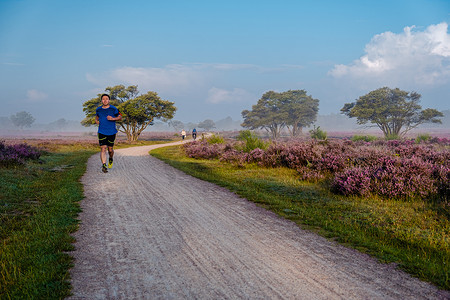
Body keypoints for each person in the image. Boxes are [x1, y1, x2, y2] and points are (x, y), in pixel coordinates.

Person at [95, 93, 122, 173]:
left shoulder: (114, 109)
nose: (105, 100)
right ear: (101, 100)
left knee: (110, 150)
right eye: (103, 99)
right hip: (101, 131)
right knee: (103, 148)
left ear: (109, 100)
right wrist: (96, 120)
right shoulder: (98, 109)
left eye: (106, 99)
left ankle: (110, 158)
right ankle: (104, 165)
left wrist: (113, 118)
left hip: (111, 132)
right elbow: (97, 116)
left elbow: (120, 117)